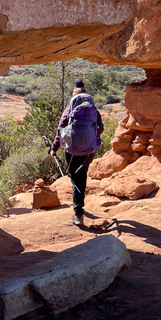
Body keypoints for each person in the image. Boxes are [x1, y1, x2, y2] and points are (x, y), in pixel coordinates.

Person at [51, 79, 103, 227]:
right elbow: (101, 128)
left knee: (75, 180)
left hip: (73, 151)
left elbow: (60, 131)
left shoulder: (69, 110)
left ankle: (78, 213)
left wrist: (54, 149)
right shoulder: (93, 109)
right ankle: (80, 205)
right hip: (89, 151)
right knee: (82, 176)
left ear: (73, 96)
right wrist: (92, 138)